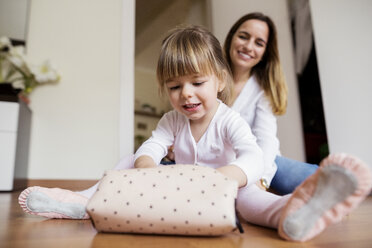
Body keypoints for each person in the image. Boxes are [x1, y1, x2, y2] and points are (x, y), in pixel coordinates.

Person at [18, 26, 372, 242]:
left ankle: (291, 214)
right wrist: (147, 170)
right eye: (174, 86)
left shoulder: (230, 120)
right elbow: (153, 145)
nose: (185, 94)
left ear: (219, 80)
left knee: (255, 204)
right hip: (182, 188)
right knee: (128, 158)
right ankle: (84, 201)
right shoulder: (172, 120)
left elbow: (253, 155)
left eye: (197, 83)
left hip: (228, 190)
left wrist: (226, 178)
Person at [224, 12, 318, 194]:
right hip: (220, 161)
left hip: (260, 159)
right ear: (231, 38)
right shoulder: (207, 80)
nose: (248, 46)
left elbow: (266, 141)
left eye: (259, 43)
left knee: (319, 179)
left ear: (265, 53)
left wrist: (262, 179)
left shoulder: (263, 90)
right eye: (243, 37)